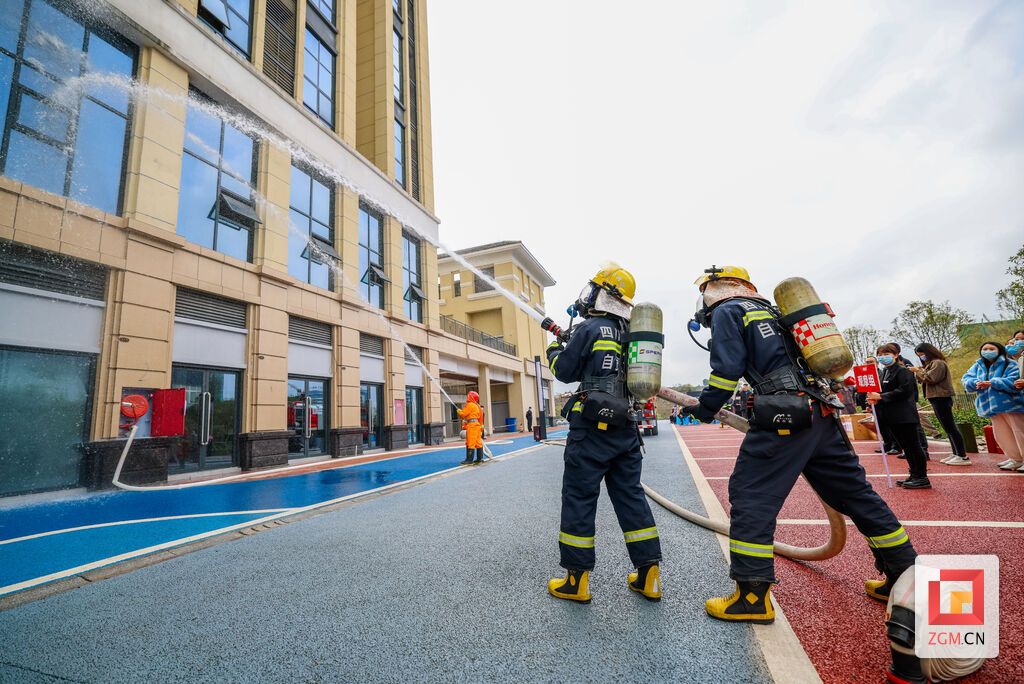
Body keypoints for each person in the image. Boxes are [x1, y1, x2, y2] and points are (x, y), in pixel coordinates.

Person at [679, 266, 916, 624]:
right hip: (821, 413)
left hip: (783, 416)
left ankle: (751, 597)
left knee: (751, 496)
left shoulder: (731, 311)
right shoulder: (776, 312)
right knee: (855, 495)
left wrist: (705, 408)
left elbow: (726, 370)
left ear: (714, 289)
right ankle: (905, 575)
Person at [545, 263, 663, 603]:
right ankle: (649, 575)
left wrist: (555, 350)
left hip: (590, 430)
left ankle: (576, 582)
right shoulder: (634, 333)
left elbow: (565, 371)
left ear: (603, 293)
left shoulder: (591, 327)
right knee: (631, 498)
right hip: (626, 428)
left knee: (580, 499)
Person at [867, 344, 930, 488]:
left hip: (904, 415)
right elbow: (880, 391)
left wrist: (882, 396)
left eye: (887, 353)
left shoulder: (903, 371)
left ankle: (922, 477)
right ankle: (913, 474)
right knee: (906, 447)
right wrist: (874, 398)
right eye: (880, 354)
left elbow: (904, 391)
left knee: (913, 445)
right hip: (891, 416)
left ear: (896, 355)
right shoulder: (884, 372)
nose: (883, 356)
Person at [962, 342, 1024, 472]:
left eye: (991, 348)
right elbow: (966, 378)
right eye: (985, 349)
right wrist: (975, 383)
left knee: (1019, 432)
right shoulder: (977, 365)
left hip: (1010, 404)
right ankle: (1016, 458)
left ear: (999, 350)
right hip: (990, 407)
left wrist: (993, 383)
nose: (987, 351)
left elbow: (1014, 381)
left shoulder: (1009, 363)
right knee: (1002, 434)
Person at [911, 343, 969, 465]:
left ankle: (962, 455)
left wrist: (917, 371)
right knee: (947, 427)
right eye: (919, 355)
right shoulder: (931, 364)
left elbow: (931, 379)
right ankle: (956, 453)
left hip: (941, 397)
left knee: (950, 427)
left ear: (929, 352)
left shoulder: (938, 363)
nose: (921, 357)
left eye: (922, 354)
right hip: (936, 397)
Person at [458, 391, 484, 464]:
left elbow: (463, 414)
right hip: (477, 425)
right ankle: (480, 458)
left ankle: (469, 460)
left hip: (472, 426)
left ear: (471, 397)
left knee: (470, 442)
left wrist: (459, 411)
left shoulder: (470, 405)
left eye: (468, 396)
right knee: (478, 442)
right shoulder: (477, 406)